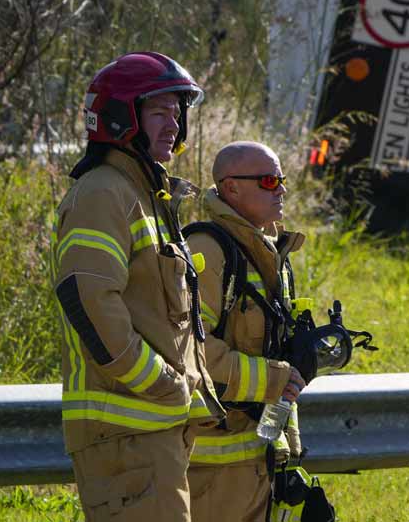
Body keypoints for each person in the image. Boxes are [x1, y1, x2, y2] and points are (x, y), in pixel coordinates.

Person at [52, 51, 225, 521]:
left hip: (151, 435)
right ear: (119, 118)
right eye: (157, 112)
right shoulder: (103, 193)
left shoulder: (144, 196)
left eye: (177, 112)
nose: (173, 124)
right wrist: (161, 384)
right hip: (127, 437)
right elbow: (87, 301)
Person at [184, 141, 308, 522]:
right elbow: (190, 352)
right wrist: (277, 379)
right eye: (270, 181)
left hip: (262, 459)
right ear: (231, 187)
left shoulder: (270, 253)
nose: (281, 190)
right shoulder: (207, 251)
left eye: (282, 180)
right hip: (212, 470)